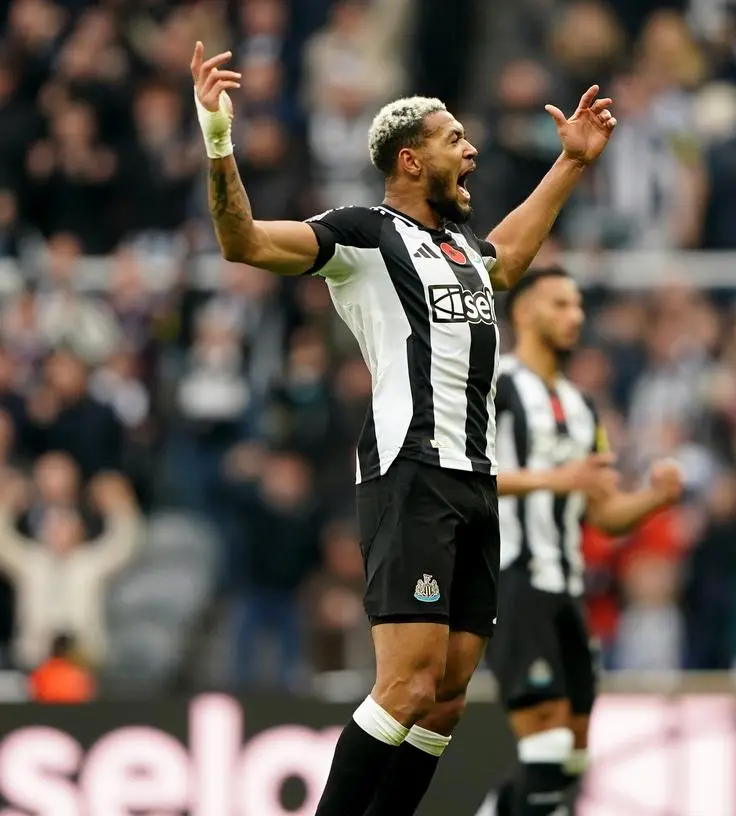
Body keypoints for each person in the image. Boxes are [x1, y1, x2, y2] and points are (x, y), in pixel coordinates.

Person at [189, 40, 619, 816]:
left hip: (475, 480)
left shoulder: (461, 250)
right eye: (456, 139)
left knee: (448, 697)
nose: (473, 149)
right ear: (411, 160)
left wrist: (573, 164)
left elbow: (512, 257)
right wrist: (220, 139)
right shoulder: (365, 236)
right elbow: (242, 241)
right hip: (411, 472)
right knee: (407, 683)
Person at [474, 266, 684, 816]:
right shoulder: (494, 386)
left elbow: (605, 514)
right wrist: (554, 478)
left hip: (569, 590)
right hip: (516, 583)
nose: (574, 317)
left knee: (570, 756)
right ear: (523, 312)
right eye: (559, 305)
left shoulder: (583, 406)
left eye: (577, 307)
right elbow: (463, 478)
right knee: (544, 744)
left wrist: (654, 498)